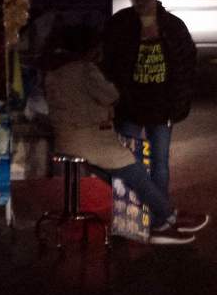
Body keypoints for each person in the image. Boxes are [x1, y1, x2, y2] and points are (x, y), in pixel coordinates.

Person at [42, 27, 200, 245]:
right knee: (135, 173)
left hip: (66, 141)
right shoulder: (85, 70)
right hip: (90, 140)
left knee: (121, 178)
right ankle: (166, 218)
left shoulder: (53, 72)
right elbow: (111, 96)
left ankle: (158, 222)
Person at [101, 0, 199, 217]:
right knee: (126, 162)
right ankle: (130, 217)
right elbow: (110, 62)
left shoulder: (172, 26)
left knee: (160, 162)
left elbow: (187, 61)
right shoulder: (122, 24)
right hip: (131, 103)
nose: (142, 0)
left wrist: (179, 99)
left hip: (162, 104)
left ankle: (158, 217)